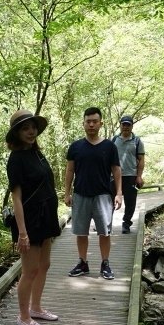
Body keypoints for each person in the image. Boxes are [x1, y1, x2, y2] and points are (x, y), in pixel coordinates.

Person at [5, 108, 62, 325]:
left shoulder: (37, 153)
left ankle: (36, 308)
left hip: (46, 215)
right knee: (29, 271)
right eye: (25, 128)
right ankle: (23, 316)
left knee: (44, 266)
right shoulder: (16, 160)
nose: (31, 132)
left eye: (33, 128)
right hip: (29, 221)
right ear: (17, 133)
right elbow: (16, 198)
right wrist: (22, 232)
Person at [63, 107, 122, 280]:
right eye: (88, 121)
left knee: (105, 232)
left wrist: (119, 193)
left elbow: (117, 170)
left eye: (94, 121)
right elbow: (69, 170)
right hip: (80, 194)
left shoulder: (109, 146)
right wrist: (67, 193)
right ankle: (83, 263)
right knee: (81, 232)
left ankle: (105, 263)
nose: (91, 125)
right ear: (83, 124)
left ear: (100, 123)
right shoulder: (75, 147)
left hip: (103, 196)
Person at [112, 115, 146, 234]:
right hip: (114, 176)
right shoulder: (114, 140)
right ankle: (106, 222)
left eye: (128, 125)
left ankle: (126, 223)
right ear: (120, 125)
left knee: (130, 202)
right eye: (123, 124)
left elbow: (141, 160)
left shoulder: (137, 141)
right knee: (109, 200)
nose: (126, 127)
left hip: (131, 175)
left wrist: (139, 176)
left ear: (132, 126)